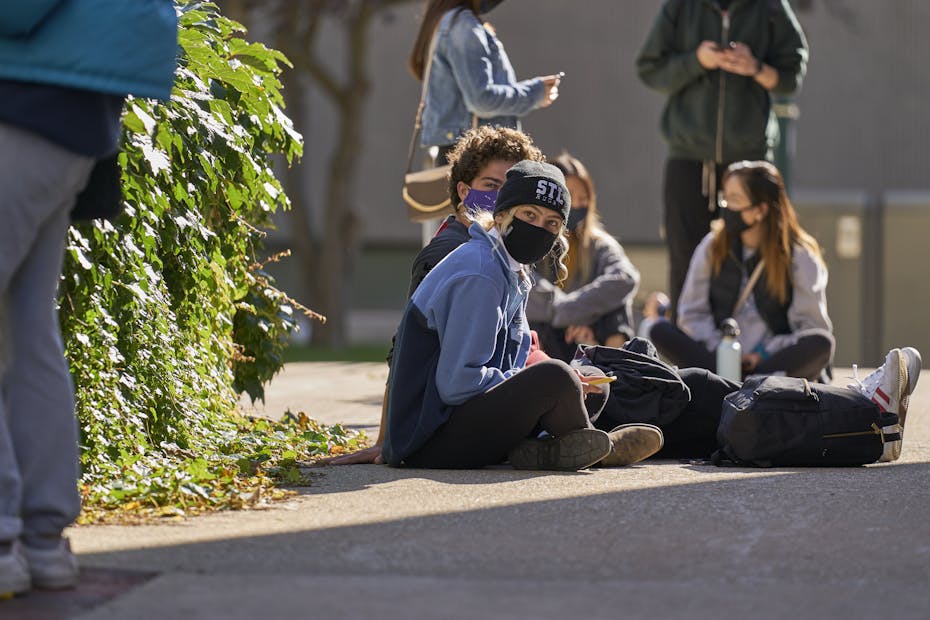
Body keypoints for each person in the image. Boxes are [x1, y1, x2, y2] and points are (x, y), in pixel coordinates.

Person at [0, 1, 178, 597]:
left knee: (28, 325)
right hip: (66, 105)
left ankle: (9, 539)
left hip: (23, 96)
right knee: (29, 325)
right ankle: (39, 542)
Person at [382, 161, 664, 470]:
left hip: (461, 421)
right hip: (428, 440)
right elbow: (457, 383)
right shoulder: (482, 273)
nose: (539, 228)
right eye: (529, 215)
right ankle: (598, 447)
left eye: (552, 223)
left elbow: (511, 363)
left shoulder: (511, 269)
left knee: (593, 380)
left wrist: (572, 380)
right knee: (557, 377)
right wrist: (554, 382)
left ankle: (546, 449)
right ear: (502, 214)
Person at [322, 125, 545, 466]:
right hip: (457, 417)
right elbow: (407, 346)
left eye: (511, 189)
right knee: (558, 382)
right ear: (463, 189)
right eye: (491, 186)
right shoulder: (454, 254)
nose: (501, 198)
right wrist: (388, 439)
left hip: (492, 394)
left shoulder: (506, 252)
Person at [636, 0, 808, 321]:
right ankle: (687, 351)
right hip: (688, 153)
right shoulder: (680, 7)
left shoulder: (770, 7)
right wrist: (697, 61)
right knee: (685, 254)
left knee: (755, 252)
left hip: (748, 159)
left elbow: (792, 76)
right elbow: (649, 69)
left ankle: (760, 343)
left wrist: (755, 67)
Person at [646, 160, 834, 381]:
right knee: (659, 330)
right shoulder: (712, 245)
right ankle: (733, 385)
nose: (726, 207)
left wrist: (762, 353)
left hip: (767, 362)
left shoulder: (799, 256)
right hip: (719, 356)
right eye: (724, 198)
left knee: (821, 343)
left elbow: (810, 326)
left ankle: (739, 386)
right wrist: (722, 348)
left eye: (734, 200)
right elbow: (691, 313)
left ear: (760, 210)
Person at [409, 0, 562, 166]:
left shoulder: (448, 22)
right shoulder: (462, 25)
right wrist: (535, 93)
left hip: (464, 154)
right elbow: (481, 100)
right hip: (477, 158)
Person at [526, 152, 640, 362]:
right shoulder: (531, 240)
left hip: (588, 338)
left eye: (583, 199)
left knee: (617, 307)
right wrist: (568, 313)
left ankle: (615, 375)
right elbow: (529, 291)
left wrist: (575, 314)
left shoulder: (598, 243)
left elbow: (626, 277)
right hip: (544, 340)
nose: (577, 206)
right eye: (571, 197)